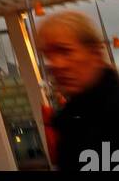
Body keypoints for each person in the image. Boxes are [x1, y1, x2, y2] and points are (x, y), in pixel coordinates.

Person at [37, 11, 119, 172]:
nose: (56, 65)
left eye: (65, 51)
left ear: (96, 53)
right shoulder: (70, 120)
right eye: (48, 56)